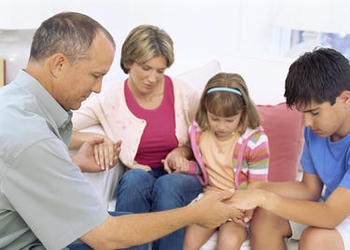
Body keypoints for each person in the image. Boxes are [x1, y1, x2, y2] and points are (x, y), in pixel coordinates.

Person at [0, 12, 242, 250]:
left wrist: (75, 164)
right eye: (95, 75)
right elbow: (106, 238)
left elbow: (23, 175)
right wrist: (195, 214)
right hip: (29, 241)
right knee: (128, 234)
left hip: (35, 229)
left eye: (160, 70)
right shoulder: (30, 135)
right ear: (59, 64)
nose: (97, 88)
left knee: (144, 216)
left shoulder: (14, 103)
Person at [70, 24, 205, 249]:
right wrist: (97, 140)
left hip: (182, 174)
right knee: (134, 180)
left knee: (168, 186)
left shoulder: (184, 93)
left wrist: (183, 151)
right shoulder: (110, 98)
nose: (153, 78)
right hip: (141, 171)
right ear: (129, 62)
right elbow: (61, 128)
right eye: (146, 68)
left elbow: (207, 136)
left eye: (160, 71)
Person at [228, 47, 350, 250]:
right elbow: (309, 189)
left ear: (345, 99)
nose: (307, 122)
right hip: (334, 208)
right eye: (304, 113)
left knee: (315, 238)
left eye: (314, 112)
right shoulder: (317, 131)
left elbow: (330, 215)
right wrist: (257, 188)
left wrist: (265, 197)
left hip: (337, 212)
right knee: (265, 217)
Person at [182, 72, 270, 250]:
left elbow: (258, 186)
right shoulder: (199, 131)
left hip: (239, 203)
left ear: (242, 112)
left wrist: (244, 212)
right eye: (215, 118)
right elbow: (204, 169)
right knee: (188, 241)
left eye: (229, 120)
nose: (221, 127)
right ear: (206, 109)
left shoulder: (256, 141)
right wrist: (186, 167)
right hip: (210, 198)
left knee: (228, 242)